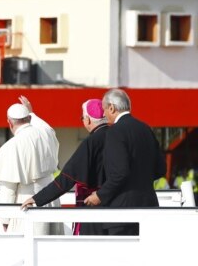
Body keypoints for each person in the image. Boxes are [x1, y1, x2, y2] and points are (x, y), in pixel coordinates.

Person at [84, 89, 166, 236]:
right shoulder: (146, 129)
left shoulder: (115, 132)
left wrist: (100, 195)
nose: (103, 114)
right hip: (149, 208)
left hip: (122, 212)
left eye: (104, 109)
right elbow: (161, 169)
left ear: (111, 108)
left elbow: (119, 173)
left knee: (122, 258)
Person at [21, 99, 108, 235]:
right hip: (120, 208)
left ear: (88, 120)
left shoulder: (91, 142)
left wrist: (37, 199)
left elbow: (66, 179)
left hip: (93, 210)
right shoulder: (118, 136)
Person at [0, 96, 62, 234]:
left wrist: (5, 220)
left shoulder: (12, 145)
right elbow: (45, 126)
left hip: (28, 202)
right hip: (52, 199)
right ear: (29, 119)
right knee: (50, 247)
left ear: (10, 123)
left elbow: (8, 189)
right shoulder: (46, 133)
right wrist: (31, 112)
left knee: (27, 251)